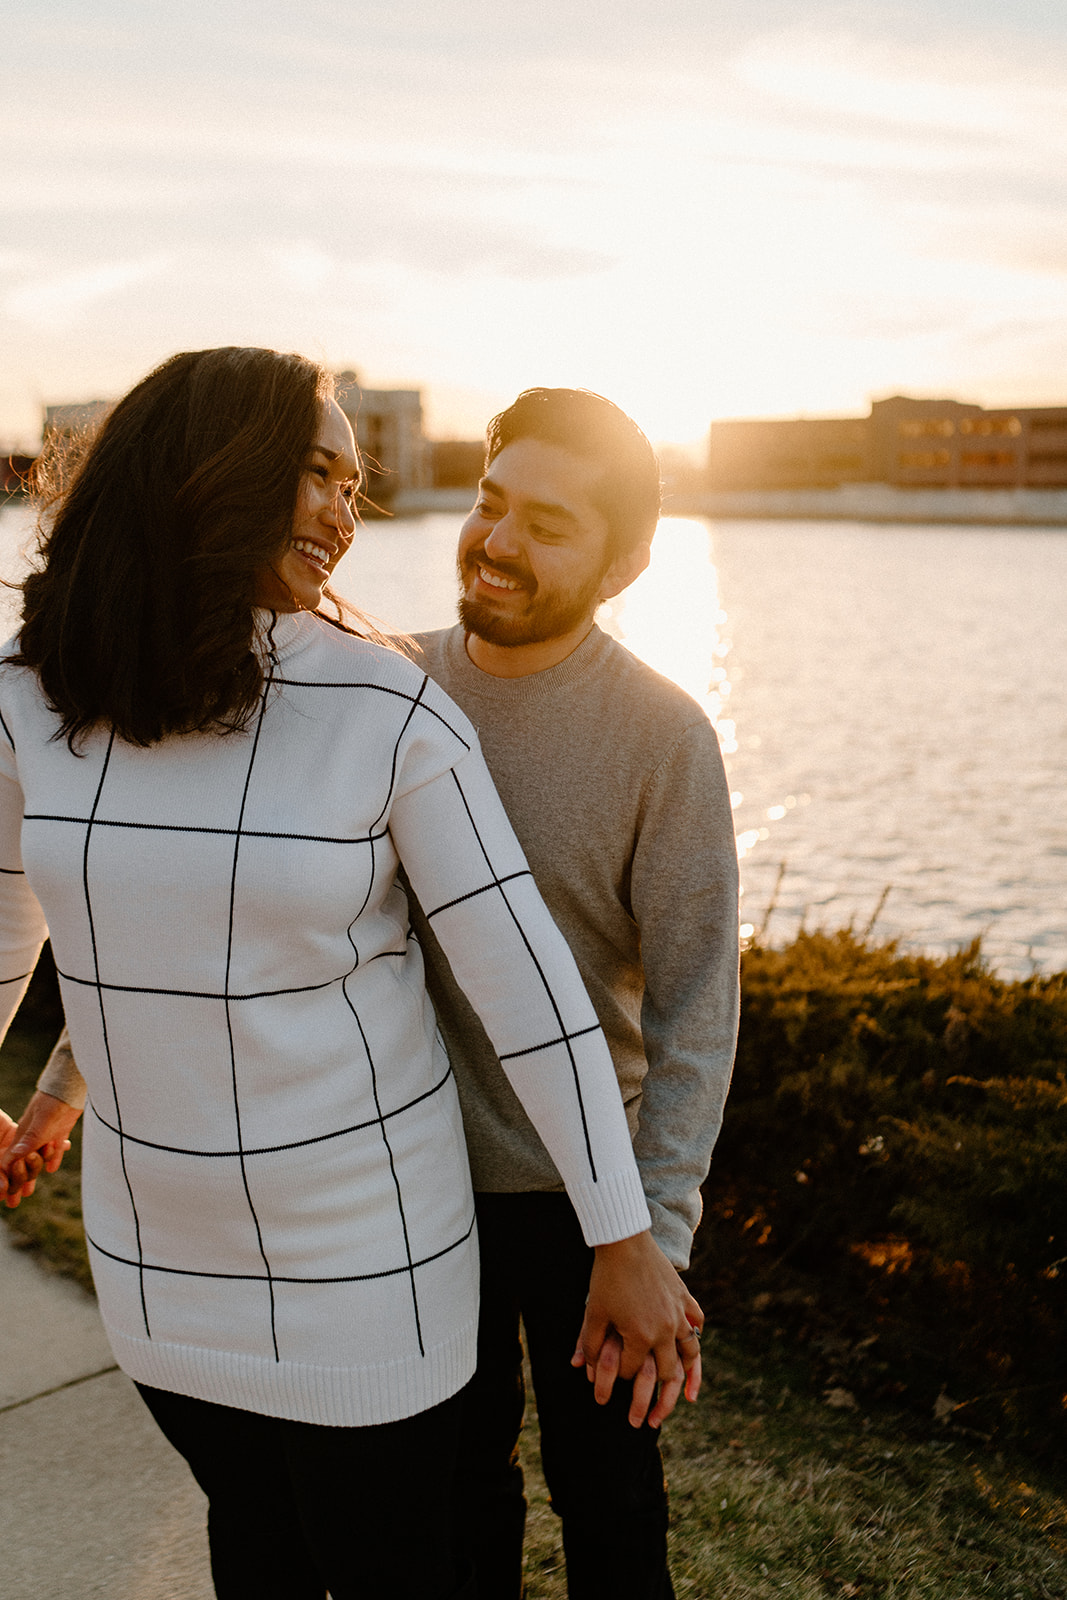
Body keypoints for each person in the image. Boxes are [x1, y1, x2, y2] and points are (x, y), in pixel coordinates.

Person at [0, 350, 701, 1600]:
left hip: (431, 1229)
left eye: (350, 479)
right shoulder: (34, 699)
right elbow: (101, 925)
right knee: (275, 1537)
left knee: (531, 1514)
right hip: (169, 1255)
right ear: (211, 474)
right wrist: (57, 1091)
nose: (347, 511)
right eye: (315, 475)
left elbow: (569, 997)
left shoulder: (404, 704)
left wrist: (638, 1226)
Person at [406, 388, 740, 1598]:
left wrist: (649, 1238)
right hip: (410, 1186)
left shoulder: (662, 737)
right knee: (454, 1499)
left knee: (608, 1502)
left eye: (546, 524)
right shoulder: (388, 688)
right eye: (490, 502)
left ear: (626, 563)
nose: (495, 542)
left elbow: (698, 1009)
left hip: (581, 1204)